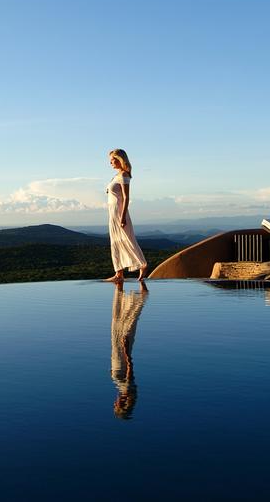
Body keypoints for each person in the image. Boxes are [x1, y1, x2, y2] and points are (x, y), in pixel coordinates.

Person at [103, 148, 148, 283]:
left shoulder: (124, 175)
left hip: (119, 212)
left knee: (127, 239)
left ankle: (142, 264)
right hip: (112, 212)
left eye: (113, 159)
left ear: (120, 159)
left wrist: (122, 217)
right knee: (116, 241)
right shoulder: (116, 176)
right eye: (110, 160)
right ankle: (119, 273)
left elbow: (126, 198)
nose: (111, 162)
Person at [110, 279, 148, 419]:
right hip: (121, 353)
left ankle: (121, 292)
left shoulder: (124, 390)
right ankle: (140, 297)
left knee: (118, 322)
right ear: (121, 404)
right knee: (124, 325)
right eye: (116, 405)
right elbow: (130, 370)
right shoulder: (128, 390)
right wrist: (126, 351)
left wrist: (112, 373)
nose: (114, 403)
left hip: (117, 354)